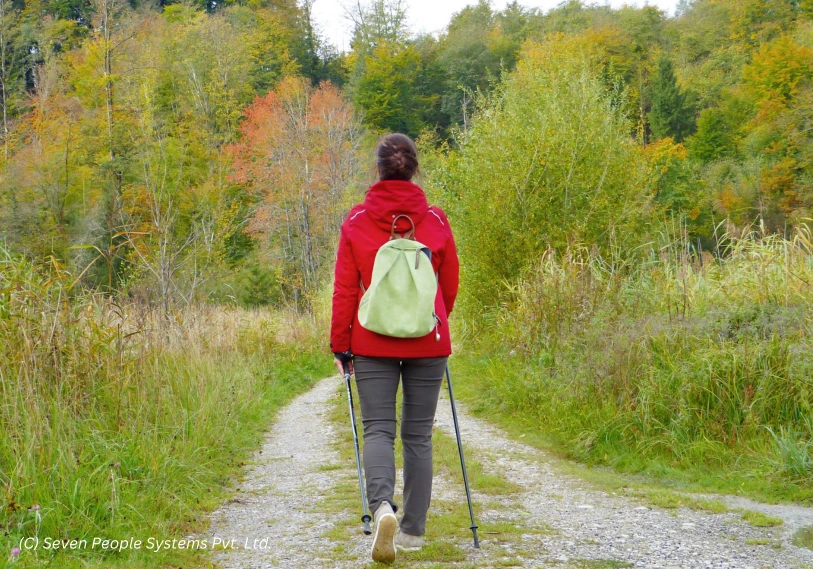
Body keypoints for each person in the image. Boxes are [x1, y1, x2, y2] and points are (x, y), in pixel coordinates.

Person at [330, 133, 460, 563]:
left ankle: (382, 507)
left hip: (371, 340)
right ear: (415, 169)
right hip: (429, 340)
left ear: (378, 169)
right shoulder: (437, 221)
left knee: (379, 429)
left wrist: (340, 344)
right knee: (419, 435)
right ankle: (413, 533)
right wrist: (436, 323)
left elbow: (346, 289)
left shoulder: (357, 220)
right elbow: (449, 285)